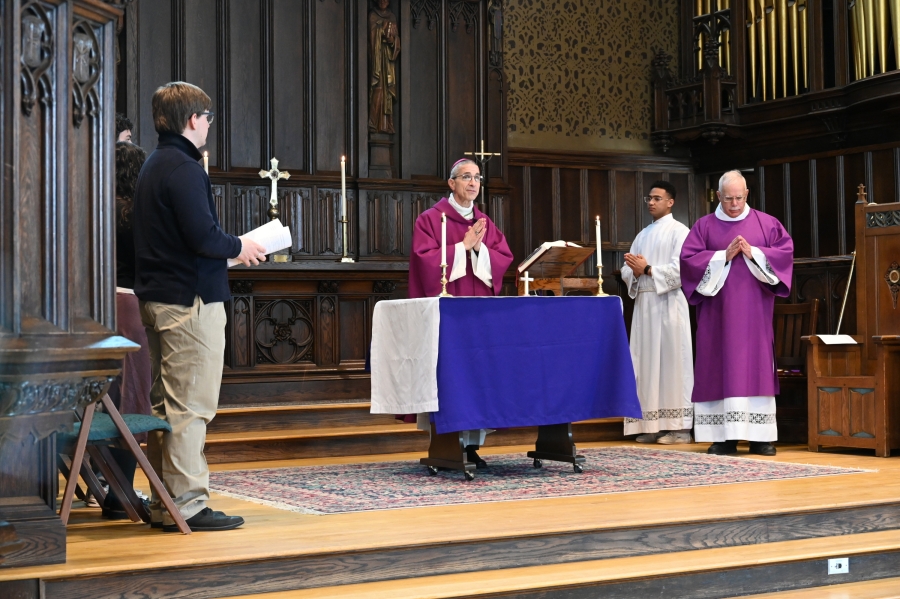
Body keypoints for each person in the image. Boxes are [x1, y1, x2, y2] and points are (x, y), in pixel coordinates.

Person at [133, 81, 267, 532]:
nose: (210, 125)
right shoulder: (185, 167)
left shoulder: (154, 163)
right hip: (188, 302)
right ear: (194, 119)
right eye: (208, 117)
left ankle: (165, 502)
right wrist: (242, 245)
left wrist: (226, 249)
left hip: (159, 295)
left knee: (167, 407)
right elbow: (203, 238)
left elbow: (176, 240)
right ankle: (187, 505)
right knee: (190, 407)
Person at [408, 158, 514, 466]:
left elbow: (502, 259)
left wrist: (478, 248)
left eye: (477, 178)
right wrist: (462, 247)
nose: (473, 183)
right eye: (466, 177)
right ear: (451, 183)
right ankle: (444, 442)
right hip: (446, 313)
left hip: (478, 313)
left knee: (477, 372)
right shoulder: (430, 219)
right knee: (448, 372)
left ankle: (471, 445)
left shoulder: (485, 223)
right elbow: (424, 262)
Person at [680, 170, 794, 456]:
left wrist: (754, 253)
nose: (734, 204)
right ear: (718, 196)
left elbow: (784, 255)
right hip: (717, 314)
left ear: (747, 194)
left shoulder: (767, 224)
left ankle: (760, 438)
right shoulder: (704, 226)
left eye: (739, 198)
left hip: (754, 312)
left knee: (754, 367)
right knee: (719, 366)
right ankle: (723, 438)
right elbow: (688, 263)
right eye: (728, 198)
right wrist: (722, 256)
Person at [99, 141, 153, 519]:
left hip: (97, 305)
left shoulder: (97, 209)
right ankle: (122, 494)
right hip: (130, 306)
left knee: (105, 398)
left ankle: (109, 488)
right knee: (130, 400)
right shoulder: (137, 213)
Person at [620, 180, 694, 444]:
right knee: (646, 363)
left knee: (673, 363)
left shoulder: (680, 232)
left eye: (657, 198)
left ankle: (679, 428)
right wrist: (635, 271)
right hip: (645, 304)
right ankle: (651, 424)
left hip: (670, 304)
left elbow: (682, 270)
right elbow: (629, 268)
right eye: (648, 198)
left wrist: (648, 269)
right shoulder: (643, 234)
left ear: (670, 202)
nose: (651, 202)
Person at [368, 0, 400, 133]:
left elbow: (396, 39)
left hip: (388, 61)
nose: (383, 1)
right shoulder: (372, 16)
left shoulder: (392, 16)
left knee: (387, 90)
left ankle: (388, 124)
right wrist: (381, 30)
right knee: (378, 89)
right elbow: (371, 35)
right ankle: (373, 122)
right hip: (376, 60)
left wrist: (393, 40)